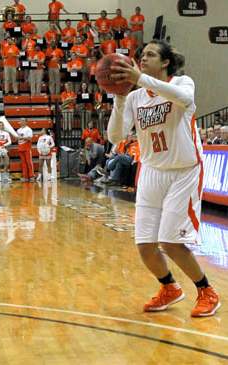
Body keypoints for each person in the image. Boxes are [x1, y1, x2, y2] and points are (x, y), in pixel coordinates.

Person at [108, 39, 220, 316]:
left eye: (150, 55)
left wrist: (141, 79)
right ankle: (169, 287)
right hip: (152, 171)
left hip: (183, 171)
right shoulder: (136, 97)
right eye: (141, 56)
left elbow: (184, 100)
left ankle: (207, 290)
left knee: (170, 241)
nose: (142, 59)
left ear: (166, 61)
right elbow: (116, 136)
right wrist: (120, 99)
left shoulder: (183, 83)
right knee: (145, 244)